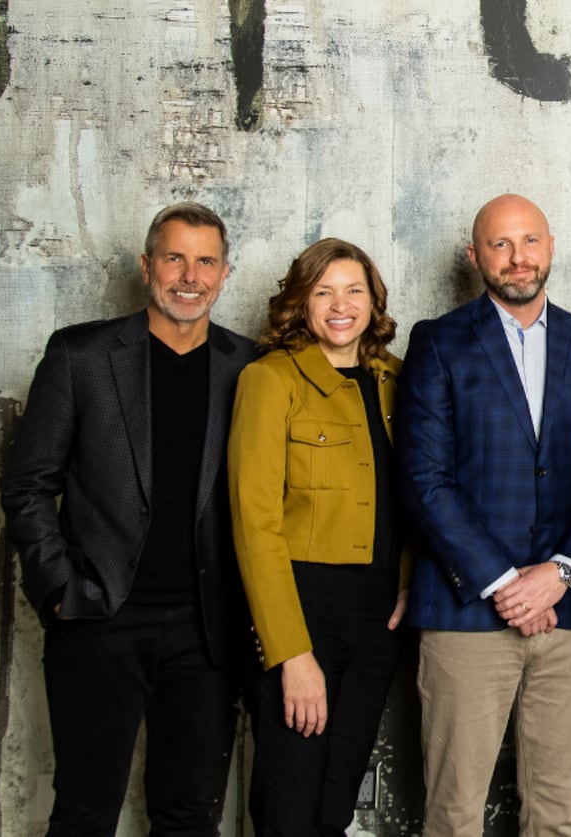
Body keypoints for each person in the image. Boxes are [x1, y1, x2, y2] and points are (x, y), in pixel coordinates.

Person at [1, 201, 257, 835]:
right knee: (85, 811)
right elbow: (28, 484)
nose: (190, 276)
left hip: (206, 631)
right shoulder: (80, 355)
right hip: (99, 619)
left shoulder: (250, 368)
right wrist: (59, 590)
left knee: (189, 815)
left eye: (206, 262)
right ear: (147, 267)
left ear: (225, 273)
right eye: (175, 258)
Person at [397, 194, 571, 836]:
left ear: (550, 247)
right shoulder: (438, 343)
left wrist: (559, 572)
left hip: (569, 613)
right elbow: (425, 480)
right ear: (474, 256)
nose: (517, 257)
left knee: (555, 815)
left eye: (529, 241)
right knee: (454, 814)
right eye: (499, 244)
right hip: (466, 613)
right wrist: (506, 584)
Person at [228, 238, 409, 835]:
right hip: (303, 609)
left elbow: (419, 491)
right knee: (289, 803)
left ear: (373, 301)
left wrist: (408, 579)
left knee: (335, 803)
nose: (340, 305)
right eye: (323, 291)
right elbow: (254, 523)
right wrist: (291, 653)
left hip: (377, 619)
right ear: (300, 302)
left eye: (354, 290)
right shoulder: (269, 379)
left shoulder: (395, 380)